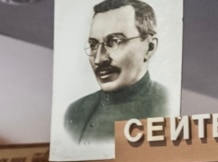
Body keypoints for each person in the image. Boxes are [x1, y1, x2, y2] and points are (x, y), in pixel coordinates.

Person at [64, 0, 171, 151]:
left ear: (149, 48)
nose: (98, 59)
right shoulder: (75, 112)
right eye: (93, 45)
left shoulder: (166, 106)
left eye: (114, 41)